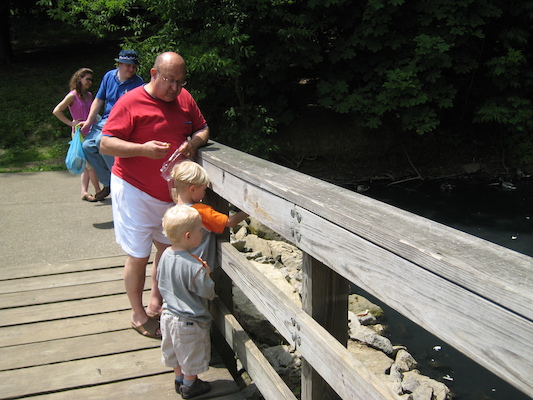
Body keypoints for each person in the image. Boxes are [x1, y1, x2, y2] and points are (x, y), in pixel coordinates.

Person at [100, 52, 209, 339]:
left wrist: (193, 142)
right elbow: (105, 144)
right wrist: (142, 149)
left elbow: (203, 128)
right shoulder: (130, 101)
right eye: (168, 80)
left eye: (180, 81)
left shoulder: (184, 98)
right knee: (138, 254)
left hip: (170, 192)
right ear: (153, 73)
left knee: (166, 248)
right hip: (133, 188)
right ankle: (138, 315)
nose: (174, 88)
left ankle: (156, 302)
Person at [158, 205, 214, 399]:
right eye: (200, 230)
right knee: (190, 352)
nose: (202, 232)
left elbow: (160, 279)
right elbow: (207, 291)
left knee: (174, 349)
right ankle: (190, 385)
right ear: (188, 236)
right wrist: (206, 274)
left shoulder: (165, 255)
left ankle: (179, 379)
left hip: (167, 314)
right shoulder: (194, 265)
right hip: (188, 319)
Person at [80, 49, 144, 201]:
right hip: (105, 120)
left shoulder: (137, 82)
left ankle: (118, 181)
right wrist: (89, 121)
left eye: (134, 66)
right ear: (120, 64)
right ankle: (108, 183)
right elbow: (99, 99)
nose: (132, 69)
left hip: (123, 122)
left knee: (101, 142)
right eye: (129, 65)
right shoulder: (109, 76)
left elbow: (139, 108)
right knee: (87, 146)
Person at [171, 160, 248, 269]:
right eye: (204, 189)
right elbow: (231, 222)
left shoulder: (173, 211)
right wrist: (249, 211)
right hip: (199, 269)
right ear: (192, 189)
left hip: (179, 267)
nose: (205, 193)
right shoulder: (200, 212)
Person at [53, 67, 101, 202]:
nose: (90, 82)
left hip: (91, 132)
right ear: (79, 78)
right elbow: (57, 111)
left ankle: (84, 192)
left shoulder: (90, 95)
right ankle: (99, 191)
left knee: (86, 165)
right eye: (87, 79)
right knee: (90, 165)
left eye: (91, 80)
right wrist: (71, 123)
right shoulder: (72, 96)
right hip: (79, 135)